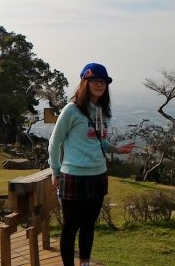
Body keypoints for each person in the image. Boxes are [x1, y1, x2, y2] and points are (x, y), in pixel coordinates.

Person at [48, 62, 135, 266]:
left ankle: (85, 263)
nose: (100, 84)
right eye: (95, 80)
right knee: (71, 226)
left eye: (103, 81)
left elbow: (100, 141)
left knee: (89, 225)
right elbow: (55, 141)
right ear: (84, 82)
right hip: (73, 176)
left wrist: (116, 149)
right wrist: (55, 171)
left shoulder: (102, 112)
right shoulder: (72, 110)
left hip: (98, 175)